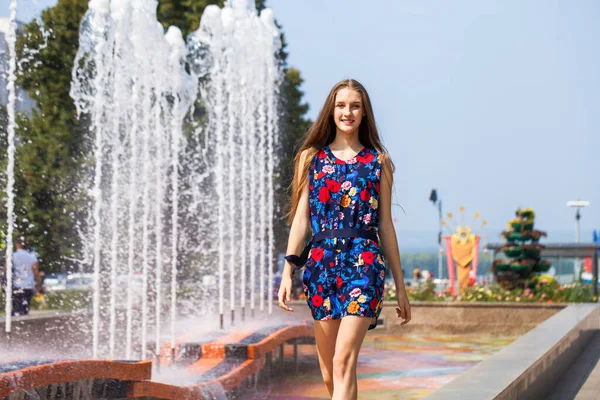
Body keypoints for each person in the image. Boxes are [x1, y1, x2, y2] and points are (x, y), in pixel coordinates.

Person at [278, 79, 411, 399]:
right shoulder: (310, 158)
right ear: (331, 110)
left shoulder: (379, 162)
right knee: (330, 374)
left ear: (365, 113)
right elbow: (301, 219)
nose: (347, 112)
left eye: (354, 106)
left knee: (343, 361)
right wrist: (288, 270)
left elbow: (386, 226)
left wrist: (400, 286)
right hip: (321, 266)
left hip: (364, 264)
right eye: (341, 105)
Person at [2, 237, 41, 316]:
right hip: (28, 286)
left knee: (16, 309)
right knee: (25, 308)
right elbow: (36, 273)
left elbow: (5, 270)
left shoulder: (12, 256)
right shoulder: (32, 257)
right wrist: (38, 286)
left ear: (18, 245)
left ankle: (15, 325)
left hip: (16, 286)